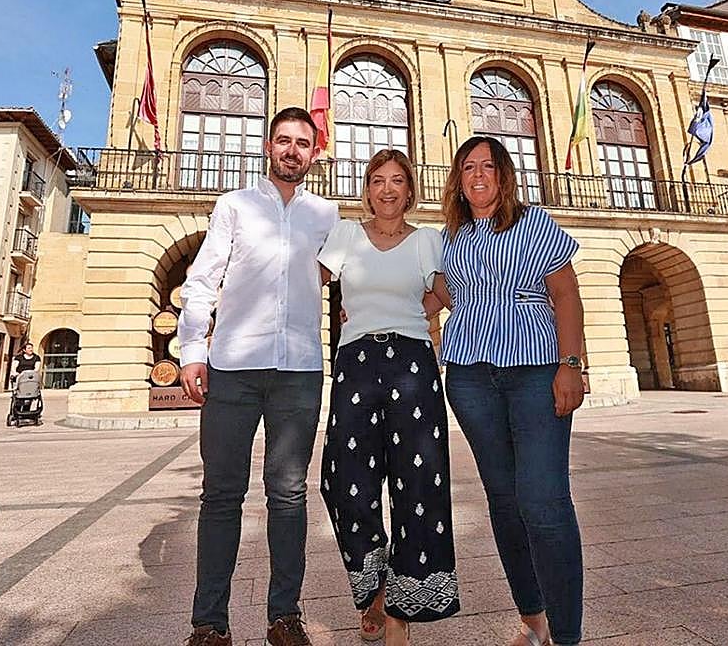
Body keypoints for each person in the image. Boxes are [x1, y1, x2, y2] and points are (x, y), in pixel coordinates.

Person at [178, 107, 339, 646]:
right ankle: (209, 624)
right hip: (233, 368)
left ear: (314, 153)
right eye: (283, 140)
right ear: (269, 146)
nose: (292, 150)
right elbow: (203, 280)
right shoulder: (235, 206)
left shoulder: (326, 214)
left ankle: (284, 617)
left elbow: (344, 277)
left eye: (302, 143)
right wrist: (192, 350)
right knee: (221, 495)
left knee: (289, 495)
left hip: (299, 370)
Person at [438, 136, 587, 646]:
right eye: (468, 167)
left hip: (536, 371)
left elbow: (566, 294)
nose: (478, 175)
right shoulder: (449, 237)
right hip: (469, 376)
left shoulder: (535, 222)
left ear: (504, 175)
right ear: (458, 180)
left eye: (488, 166)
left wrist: (571, 365)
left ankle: (567, 635)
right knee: (503, 501)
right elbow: (438, 295)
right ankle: (533, 620)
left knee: (544, 501)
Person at [317, 149, 458, 646]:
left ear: (410, 189)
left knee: (420, 484)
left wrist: (411, 314)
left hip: (413, 362)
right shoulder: (345, 235)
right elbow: (309, 282)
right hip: (355, 363)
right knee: (343, 481)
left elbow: (448, 293)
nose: (387, 189)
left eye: (397, 180)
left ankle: (401, 607)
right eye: (378, 180)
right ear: (367, 189)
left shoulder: (427, 240)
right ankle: (373, 586)